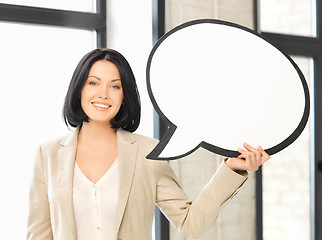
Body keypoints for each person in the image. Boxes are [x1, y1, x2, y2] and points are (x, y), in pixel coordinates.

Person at [27, 48, 270, 240]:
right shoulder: (48, 154)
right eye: (93, 83)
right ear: (78, 89)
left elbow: (191, 223)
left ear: (124, 97)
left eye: (115, 86)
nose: (103, 93)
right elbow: (38, 235)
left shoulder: (147, 153)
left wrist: (231, 169)